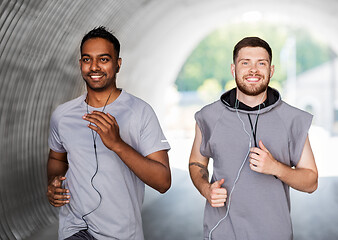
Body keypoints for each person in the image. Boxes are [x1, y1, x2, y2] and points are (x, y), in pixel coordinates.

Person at [46, 26, 171, 240]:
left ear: (118, 64)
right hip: (74, 229)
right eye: (87, 59)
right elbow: (56, 157)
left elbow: (163, 181)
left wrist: (117, 144)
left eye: (103, 59)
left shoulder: (140, 112)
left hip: (121, 234)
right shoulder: (62, 115)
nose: (94, 67)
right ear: (80, 64)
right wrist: (53, 182)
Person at [189, 37, 318, 240]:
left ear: (271, 70)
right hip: (221, 234)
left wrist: (276, 168)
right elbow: (196, 162)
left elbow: (311, 181)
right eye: (245, 63)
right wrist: (206, 189)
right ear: (233, 69)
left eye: (261, 63)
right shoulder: (208, 116)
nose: (253, 70)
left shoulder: (293, 119)